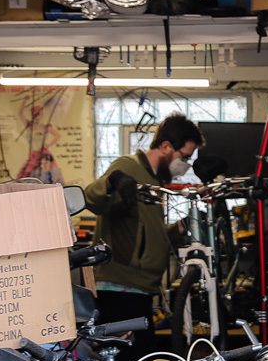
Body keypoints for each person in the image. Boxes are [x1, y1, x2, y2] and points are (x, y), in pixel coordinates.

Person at [84, 113, 203, 325]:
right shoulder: (128, 167)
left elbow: (145, 232)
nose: (185, 165)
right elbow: (91, 199)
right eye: (184, 157)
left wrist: (178, 228)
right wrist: (111, 182)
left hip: (141, 288)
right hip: (119, 287)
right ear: (166, 146)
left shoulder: (154, 180)